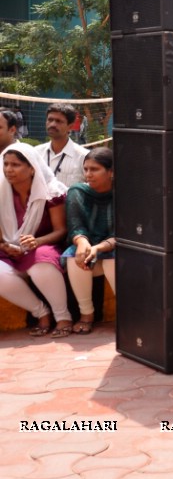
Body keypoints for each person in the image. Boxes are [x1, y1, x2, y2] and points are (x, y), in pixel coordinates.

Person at [0, 143, 70, 338]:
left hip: (44, 245)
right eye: (5, 164)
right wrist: (5, 246)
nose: (8, 170)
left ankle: (63, 316)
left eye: (15, 165)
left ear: (31, 167)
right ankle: (41, 313)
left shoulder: (50, 192)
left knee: (41, 260)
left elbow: (61, 230)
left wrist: (36, 242)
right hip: (10, 251)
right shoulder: (1, 192)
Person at [64, 147, 116, 335]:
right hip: (89, 250)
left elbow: (125, 233)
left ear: (111, 172)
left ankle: (128, 315)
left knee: (112, 259)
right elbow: (75, 225)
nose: (88, 174)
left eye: (94, 169)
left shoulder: (125, 193)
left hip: (115, 247)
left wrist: (99, 247)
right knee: (72, 256)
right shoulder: (77, 191)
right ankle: (86, 314)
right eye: (86, 169)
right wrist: (83, 243)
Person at [35, 103, 89, 188]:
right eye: (50, 120)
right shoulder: (36, 153)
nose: (52, 124)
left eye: (58, 121)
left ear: (70, 127)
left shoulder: (83, 157)